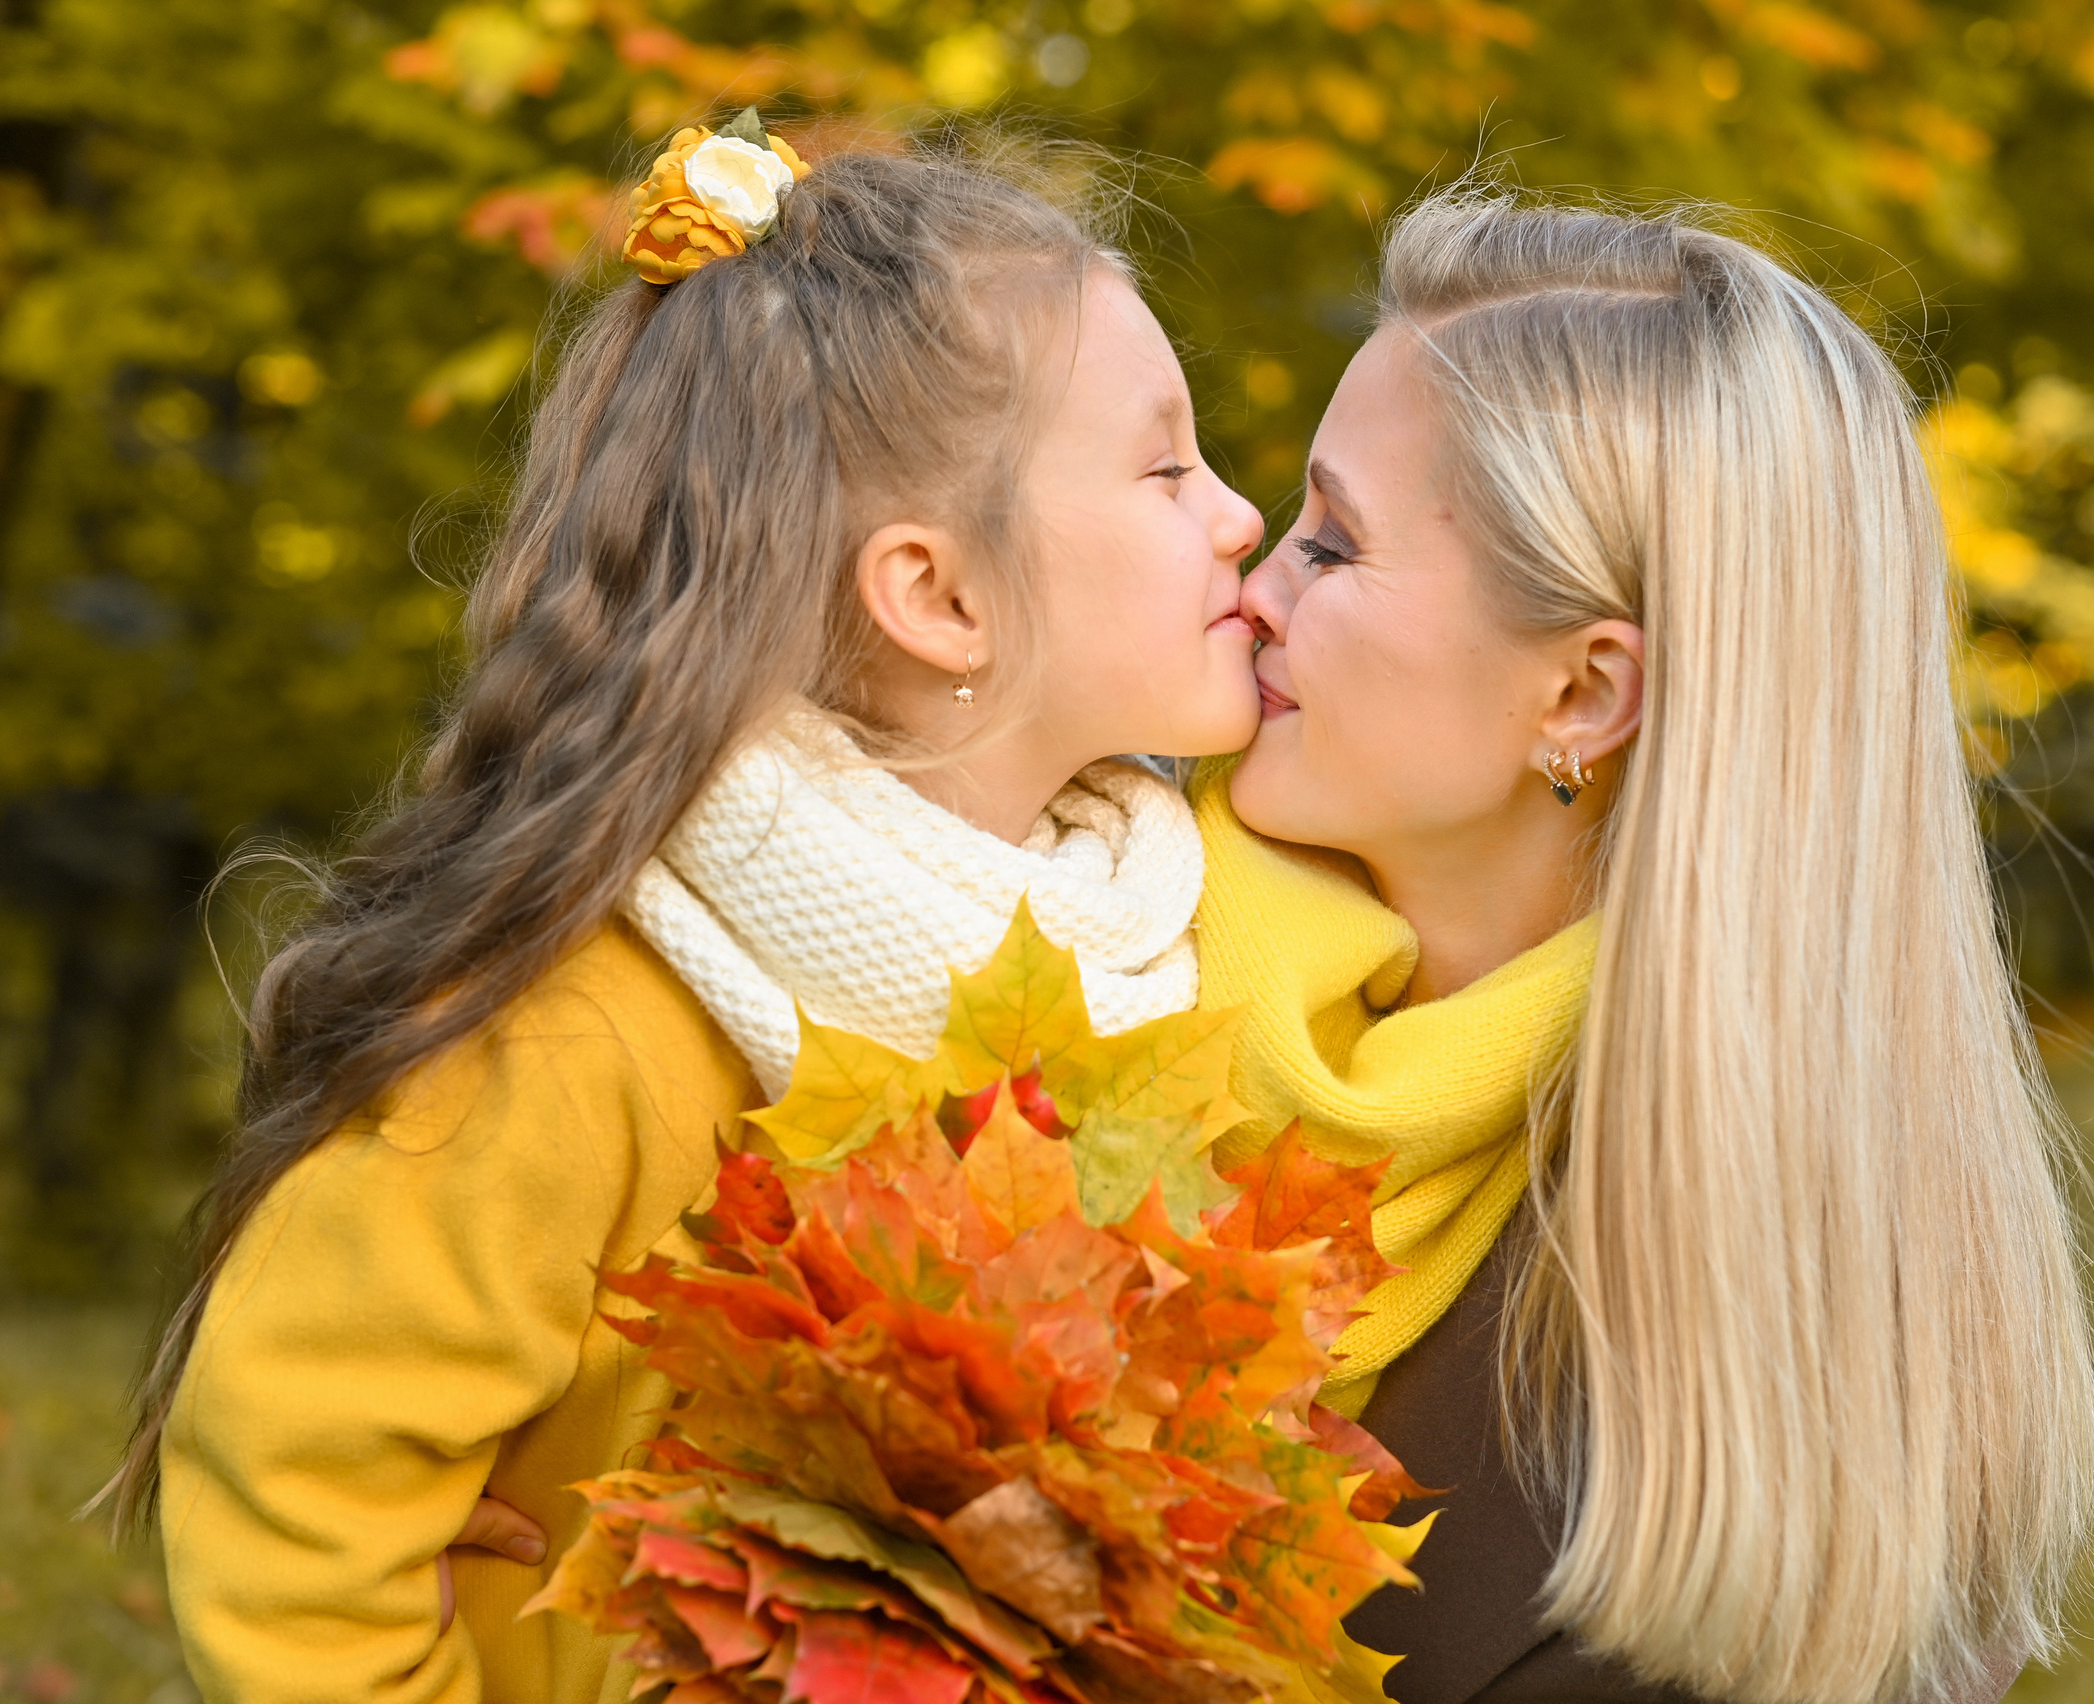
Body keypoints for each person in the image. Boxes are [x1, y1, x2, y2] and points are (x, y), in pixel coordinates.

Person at [100, 127, 1263, 1704]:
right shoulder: (577, 1038)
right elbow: (291, 1496)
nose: (1240, 515)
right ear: (939, 598)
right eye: (1165, 465)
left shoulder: (1153, 942)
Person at [1195, 190, 2094, 1704]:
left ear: (1580, 696)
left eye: (1333, 547)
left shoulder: (1722, 1397)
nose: (1251, 593)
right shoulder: (1104, 943)